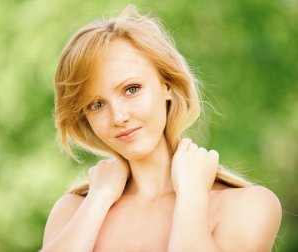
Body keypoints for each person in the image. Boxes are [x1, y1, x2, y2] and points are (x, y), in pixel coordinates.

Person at [41, 5, 282, 252]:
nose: (119, 117)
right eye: (96, 104)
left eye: (131, 89)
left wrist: (191, 195)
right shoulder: (72, 211)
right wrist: (98, 199)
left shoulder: (248, 206)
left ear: (166, 83)